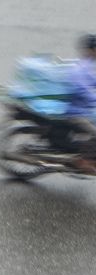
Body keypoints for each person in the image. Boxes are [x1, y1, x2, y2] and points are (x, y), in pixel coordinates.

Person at [67, 34, 96, 173]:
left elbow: (93, 81)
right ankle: (85, 161)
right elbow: (81, 89)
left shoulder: (88, 65)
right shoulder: (81, 68)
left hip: (82, 109)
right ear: (91, 50)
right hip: (75, 112)